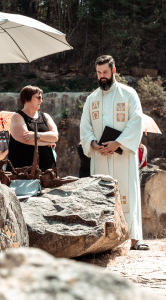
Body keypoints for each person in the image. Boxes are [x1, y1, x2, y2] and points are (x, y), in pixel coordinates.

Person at [80, 55, 149, 250]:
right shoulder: (91, 98)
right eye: (99, 73)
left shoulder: (129, 94)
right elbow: (85, 127)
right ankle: (104, 240)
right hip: (100, 156)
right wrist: (93, 144)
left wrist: (117, 143)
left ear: (114, 71)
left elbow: (136, 121)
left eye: (105, 72)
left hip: (123, 156)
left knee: (128, 193)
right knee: (101, 195)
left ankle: (135, 238)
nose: (102, 76)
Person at [8, 85, 58, 172]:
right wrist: (49, 142)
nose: (41, 100)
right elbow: (27, 139)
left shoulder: (45, 116)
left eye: (42, 98)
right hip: (23, 170)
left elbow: (55, 136)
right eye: (38, 97)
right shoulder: (17, 117)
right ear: (27, 98)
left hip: (46, 169)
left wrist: (36, 135)